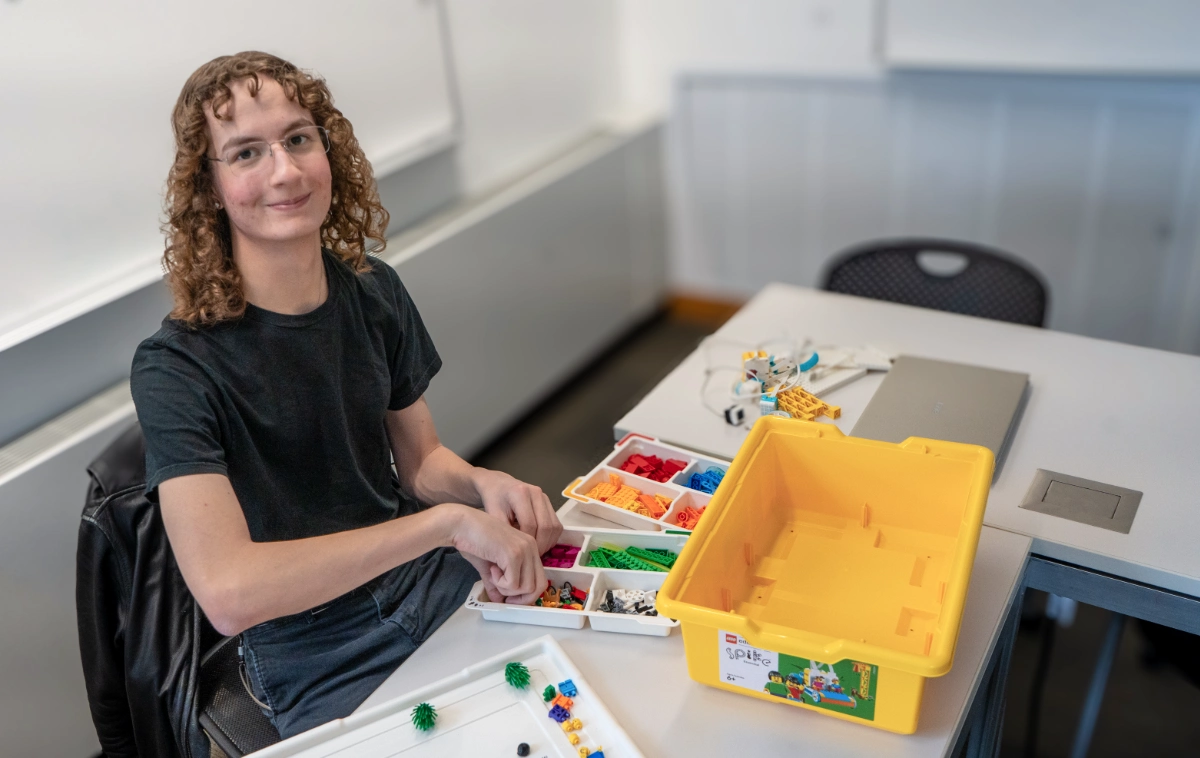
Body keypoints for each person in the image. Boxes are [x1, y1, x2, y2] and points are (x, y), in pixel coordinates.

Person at [129, 51, 562, 739]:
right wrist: (444, 525)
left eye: (299, 139)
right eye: (246, 153)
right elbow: (230, 594)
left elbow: (420, 463)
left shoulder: (373, 291)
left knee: (565, 704)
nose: (286, 171)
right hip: (310, 649)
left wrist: (481, 484)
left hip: (420, 581)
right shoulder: (174, 367)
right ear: (208, 188)